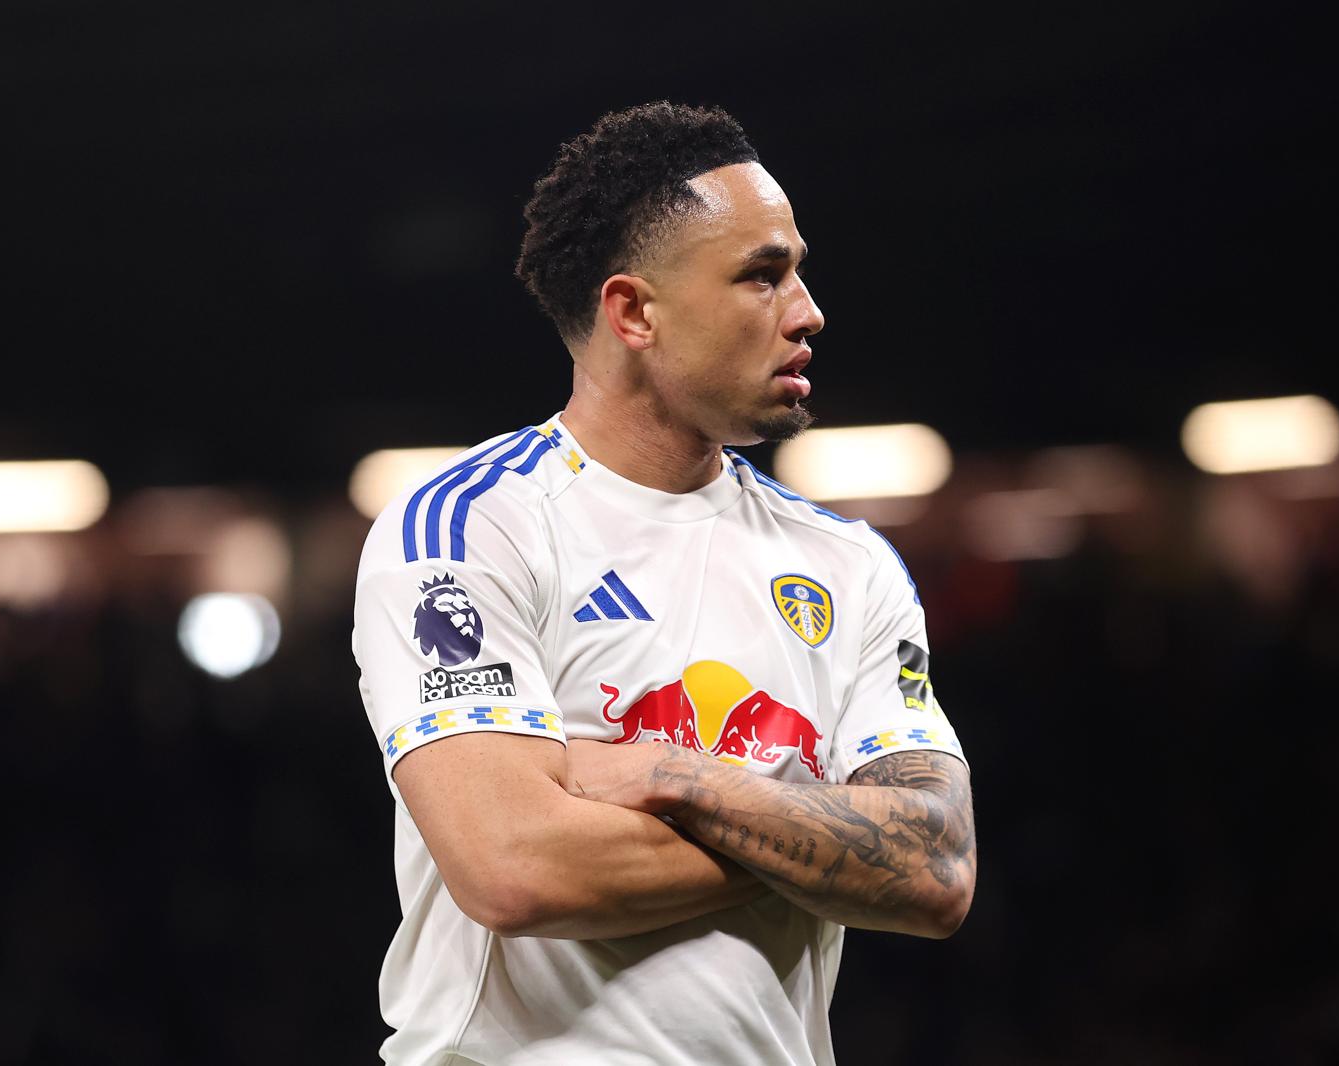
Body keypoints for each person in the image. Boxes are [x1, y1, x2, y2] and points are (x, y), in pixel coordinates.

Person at [352, 101, 975, 1066]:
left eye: (797, 272)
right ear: (633, 312)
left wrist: (665, 775)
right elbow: (514, 868)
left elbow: (935, 867)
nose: (808, 311)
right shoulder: (467, 528)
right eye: (763, 276)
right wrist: (822, 835)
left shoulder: (847, 563)